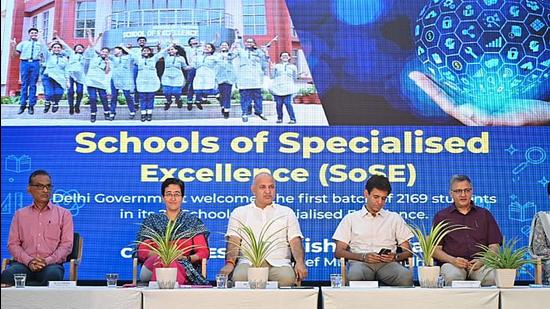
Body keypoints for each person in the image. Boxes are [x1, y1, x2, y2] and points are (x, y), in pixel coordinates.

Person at [219, 173, 307, 287]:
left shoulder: (287, 212)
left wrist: (300, 263)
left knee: (287, 279)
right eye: (262, 187)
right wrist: (230, 264)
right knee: (239, 278)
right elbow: (234, 242)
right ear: (253, 190)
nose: (268, 191)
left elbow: (295, 241)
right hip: (248, 263)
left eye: (271, 187)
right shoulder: (239, 212)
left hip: (279, 264)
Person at [332, 174, 414, 286]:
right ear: (366, 194)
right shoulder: (351, 219)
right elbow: (338, 252)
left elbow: (408, 252)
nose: (380, 202)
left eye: (383, 198)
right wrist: (363, 257)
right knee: (355, 275)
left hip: (388, 264)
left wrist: (395, 257)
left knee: (405, 275)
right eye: (376, 197)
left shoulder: (394, 218)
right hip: (360, 263)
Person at [0, 170, 74, 286]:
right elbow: (13, 244)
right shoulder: (20, 214)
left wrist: (46, 261)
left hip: (51, 265)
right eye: (40, 186)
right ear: (29, 189)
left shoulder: (64, 214)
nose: (45, 190)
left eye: (48, 186)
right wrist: (29, 261)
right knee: (7, 275)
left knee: (53, 276)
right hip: (23, 264)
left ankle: (43, 305)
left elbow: (66, 245)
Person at [136, 178, 209, 285]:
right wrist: (164, 255)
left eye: (177, 194)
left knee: (172, 263)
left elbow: (203, 252)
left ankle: (163, 295)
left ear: (182, 198)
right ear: (163, 197)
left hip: (183, 265)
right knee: (165, 261)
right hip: (152, 266)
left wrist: (186, 258)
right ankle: (169, 294)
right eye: (169, 194)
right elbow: (142, 251)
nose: (173, 198)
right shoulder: (152, 221)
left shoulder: (193, 222)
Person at [432, 175, 503, 286]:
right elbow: (435, 250)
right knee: (452, 277)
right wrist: (453, 260)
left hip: (481, 264)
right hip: (452, 264)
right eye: (458, 191)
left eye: (467, 190)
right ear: (451, 193)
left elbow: (495, 246)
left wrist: (482, 260)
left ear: (472, 191)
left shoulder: (484, 215)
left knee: (492, 278)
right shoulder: (442, 216)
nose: (463, 195)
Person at [11, 28, 45, 115]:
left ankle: (31, 106)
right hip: (25, 63)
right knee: (24, 84)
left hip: (35, 63)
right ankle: (22, 105)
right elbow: (14, 55)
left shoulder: (40, 44)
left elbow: (44, 54)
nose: (34, 34)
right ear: (29, 34)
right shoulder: (23, 43)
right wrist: (13, 46)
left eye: (35, 33)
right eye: (32, 33)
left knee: (33, 84)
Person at [270, 51, 298, 124]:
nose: (284, 57)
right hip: (278, 88)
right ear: (280, 57)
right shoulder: (276, 66)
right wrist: (272, 69)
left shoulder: (293, 67)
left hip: (288, 88)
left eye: (286, 56)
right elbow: (272, 76)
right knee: (278, 104)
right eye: (283, 56)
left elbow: (295, 77)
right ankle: (279, 118)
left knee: (288, 103)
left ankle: (293, 119)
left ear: (289, 57)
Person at [109, 46, 136, 120]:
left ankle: (132, 111)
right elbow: (102, 54)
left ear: (121, 50)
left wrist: (125, 47)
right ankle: (112, 112)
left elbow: (134, 55)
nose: (114, 51)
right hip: (115, 79)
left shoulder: (128, 58)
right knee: (114, 96)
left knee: (127, 96)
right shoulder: (113, 58)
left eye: (116, 50)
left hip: (125, 79)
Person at [216, 41, 237, 119]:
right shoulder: (216, 55)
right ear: (220, 47)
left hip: (229, 77)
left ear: (228, 47)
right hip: (219, 76)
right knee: (221, 94)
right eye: (222, 45)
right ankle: (222, 106)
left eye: (226, 45)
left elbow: (232, 56)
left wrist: (233, 48)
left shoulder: (231, 54)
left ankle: (227, 110)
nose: (224, 46)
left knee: (227, 94)